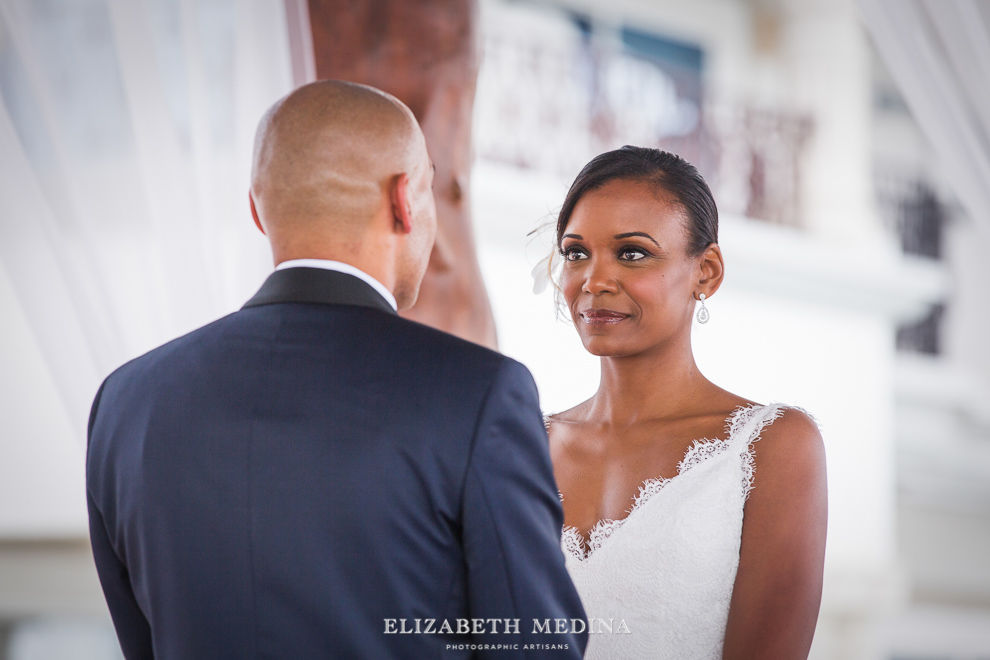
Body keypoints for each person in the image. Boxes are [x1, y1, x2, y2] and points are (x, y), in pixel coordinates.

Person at [86, 80, 587, 659]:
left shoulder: (125, 401)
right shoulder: (479, 393)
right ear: (404, 200)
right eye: (428, 189)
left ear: (256, 209)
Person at [542, 146, 827, 659]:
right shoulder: (520, 444)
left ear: (707, 272)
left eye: (632, 253)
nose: (594, 280)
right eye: (576, 252)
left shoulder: (771, 446)